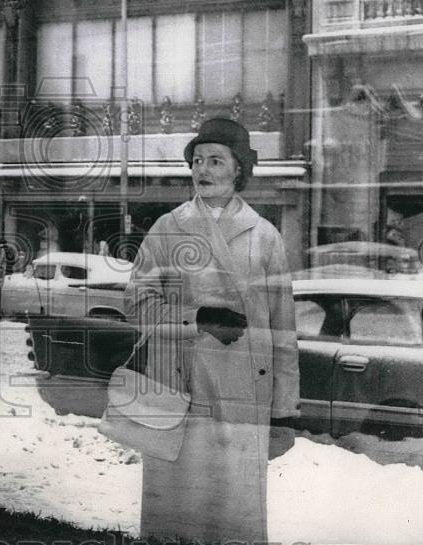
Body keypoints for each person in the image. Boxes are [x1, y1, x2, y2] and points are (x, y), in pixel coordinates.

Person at [124, 117, 299, 544]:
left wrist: (285, 410)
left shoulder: (265, 236)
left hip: (245, 397)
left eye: (215, 161)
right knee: (178, 514)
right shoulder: (168, 228)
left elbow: (284, 332)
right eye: (197, 161)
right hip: (179, 386)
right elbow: (135, 305)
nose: (202, 170)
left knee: (232, 516)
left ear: (239, 169)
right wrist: (196, 318)